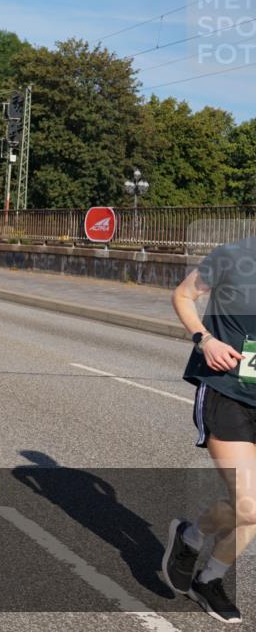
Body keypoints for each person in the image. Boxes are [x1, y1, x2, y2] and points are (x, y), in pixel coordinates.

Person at [163, 236, 256, 624]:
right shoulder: (233, 256)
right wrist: (206, 340)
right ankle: (193, 539)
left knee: (250, 509)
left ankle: (206, 570)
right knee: (251, 504)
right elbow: (183, 296)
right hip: (227, 391)